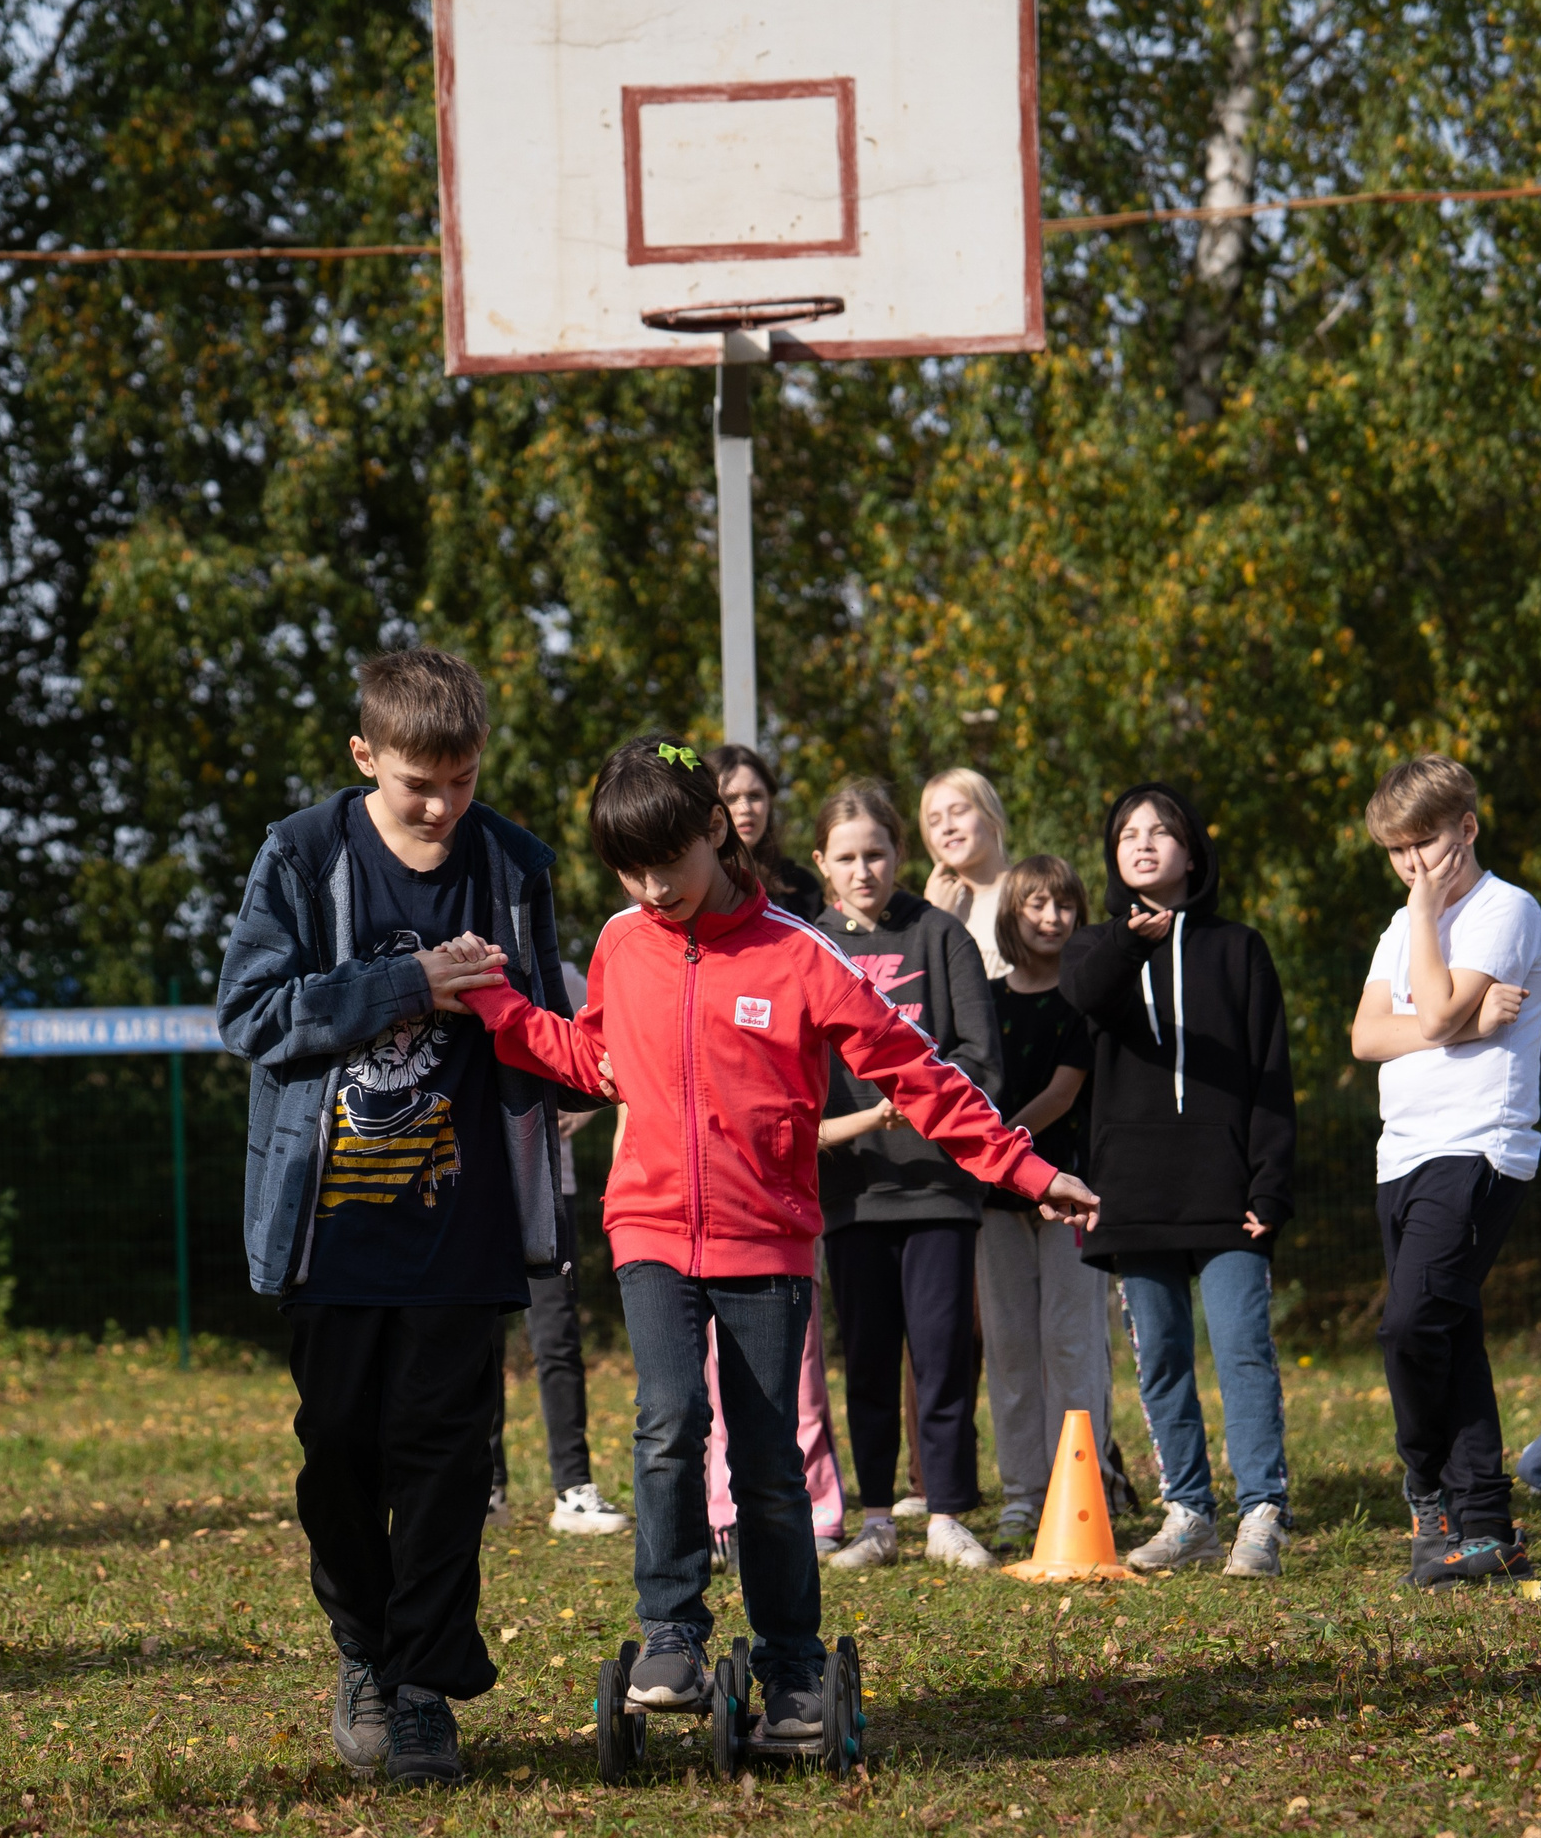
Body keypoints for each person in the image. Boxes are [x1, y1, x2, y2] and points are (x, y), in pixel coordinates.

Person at [462, 737, 1099, 1740]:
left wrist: (1023, 1167)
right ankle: (670, 1628)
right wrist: (497, 1004)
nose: (649, 887)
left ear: (714, 828)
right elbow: (592, 1055)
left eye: (666, 860)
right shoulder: (624, 943)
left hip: (766, 1240)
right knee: (668, 1425)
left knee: (768, 1463)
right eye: (627, 871)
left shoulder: (801, 955)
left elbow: (918, 1073)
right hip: (651, 1227)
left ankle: (792, 1665)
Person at [218, 646, 590, 1787]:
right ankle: (364, 1650)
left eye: (462, 780)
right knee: (339, 1455)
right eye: (416, 783)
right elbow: (249, 1014)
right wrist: (409, 985)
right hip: (329, 1230)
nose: (439, 806)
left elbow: (552, 1015)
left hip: (464, 1228)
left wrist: (563, 1070)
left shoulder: (515, 866)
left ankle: (420, 1686)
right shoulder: (299, 853)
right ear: (364, 755)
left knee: (442, 1463)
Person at [1061, 783, 1296, 1578]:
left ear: (1193, 852)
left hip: (1227, 1192)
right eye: (1129, 833)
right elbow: (1085, 997)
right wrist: (1135, 942)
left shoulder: (1241, 949)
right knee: (1159, 1357)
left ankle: (1262, 1511)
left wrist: (1270, 1185)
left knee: (1242, 1351)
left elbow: (1270, 1073)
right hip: (1131, 1193)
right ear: (1114, 856)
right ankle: (1189, 1510)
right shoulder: (1097, 948)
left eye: (1163, 831)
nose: (1145, 841)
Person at [1349, 755, 1541, 1587]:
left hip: (1478, 1145)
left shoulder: (1504, 911)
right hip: (1401, 1150)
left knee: (1409, 1325)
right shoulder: (1400, 928)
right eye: (1398, 853)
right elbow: (1366, 1036)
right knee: (1451, 1328)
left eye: (1425, 844)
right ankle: (1485, 1529)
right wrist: (1464, 1029)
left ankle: (1424, 1483)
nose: (1412, 866)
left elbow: (1422, 1011)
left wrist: (1430, 938)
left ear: (1466, 827)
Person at [810, 779, 1005, 1572]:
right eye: (848, 857)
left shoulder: (941, 936)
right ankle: (880, 1519)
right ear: (822, 863)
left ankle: (950, 1514)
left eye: (878, 853)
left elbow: (979, 1058)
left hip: (936, 1188)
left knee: (941, 1355)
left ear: (899, 855)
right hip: (850, 1192)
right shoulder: (805, 944)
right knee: (866, 1360)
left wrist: (913, 1098)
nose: (864, 870)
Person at [700, 744, 849, 1563]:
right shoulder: (659, 921)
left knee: (796, 1367)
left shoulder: (794, 909)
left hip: (777, 1186)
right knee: (700, 1384)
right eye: (733, 796)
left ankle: (816, 1505)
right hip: (693, 1189)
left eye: (758, 794)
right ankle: (717, 1503)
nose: (747, 808)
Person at [977, 853, 1116, 1552]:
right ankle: (1023, 1496)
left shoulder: (1085, 1003)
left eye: (1064, 904)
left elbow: (1063, 1095)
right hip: (995, 1200)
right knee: (1009, 1346)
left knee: (1071, 1341)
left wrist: (1001, 1147)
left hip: (1071, 1192)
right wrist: (992, 1165)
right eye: (1036, 904)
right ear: (1012, 913)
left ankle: (1082, 1483)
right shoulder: (987, 999)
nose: (1051, 917)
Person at [487, 962, 631, 1537]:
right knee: (477, 1344)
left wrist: (581, 1113)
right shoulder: (459, 965)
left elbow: (616, 1060)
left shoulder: (563, 976)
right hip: (476, 1189)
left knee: (557, 1342)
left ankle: (572, 1488)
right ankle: (486, 1487)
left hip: (551, 1189)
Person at [708, 743, 822, 918]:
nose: (745, 808)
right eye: (730, 798)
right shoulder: (696, 889)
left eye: (755, 796)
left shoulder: (803, 888)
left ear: (769, 801)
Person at [920, 767, 1014, 980]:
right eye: (934, 821)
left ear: (991, 815)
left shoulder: (1031, 891)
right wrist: (935, 917)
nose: (947, 827)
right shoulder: (931, 906)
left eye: (959, 812)